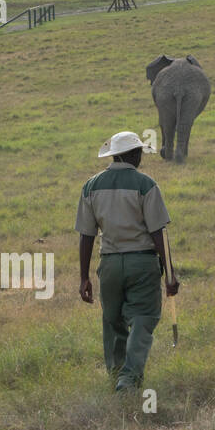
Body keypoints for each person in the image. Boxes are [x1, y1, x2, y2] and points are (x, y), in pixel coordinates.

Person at [76, 131, 179, 392]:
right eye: (140, 152)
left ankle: (117, 374)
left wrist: (84, 277)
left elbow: (86, 236)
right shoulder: (146, 184)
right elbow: (158, 233)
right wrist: (169, 273)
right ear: (133, 155)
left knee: (113, 321)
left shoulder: (91, 186)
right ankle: (129, 379)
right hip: (142, 263)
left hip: (109, 264)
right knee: (143, 319)